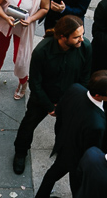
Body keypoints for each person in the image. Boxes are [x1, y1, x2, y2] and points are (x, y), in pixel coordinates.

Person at [11, 14, 90, 175]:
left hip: (69, 99)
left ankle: (61, 149)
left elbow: (85, 77)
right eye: (76, 37)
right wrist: (49, 106)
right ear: (63, 37)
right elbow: (35, 83)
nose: (81, 40)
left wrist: (69, 102)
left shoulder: (85, 47)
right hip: (43, 98)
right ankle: (20, 152)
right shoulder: (42, 52)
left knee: (64, 128)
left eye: (82, 35)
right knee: (28, 125)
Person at [34, 70, 107, 198]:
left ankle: (41, 197)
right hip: (77, 157)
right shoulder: (97, 124)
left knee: (53, 173)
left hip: (63, 141)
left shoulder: (75, 89)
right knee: (78, 189)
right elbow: (92, 150)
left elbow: (60, 111)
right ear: (98, 95)